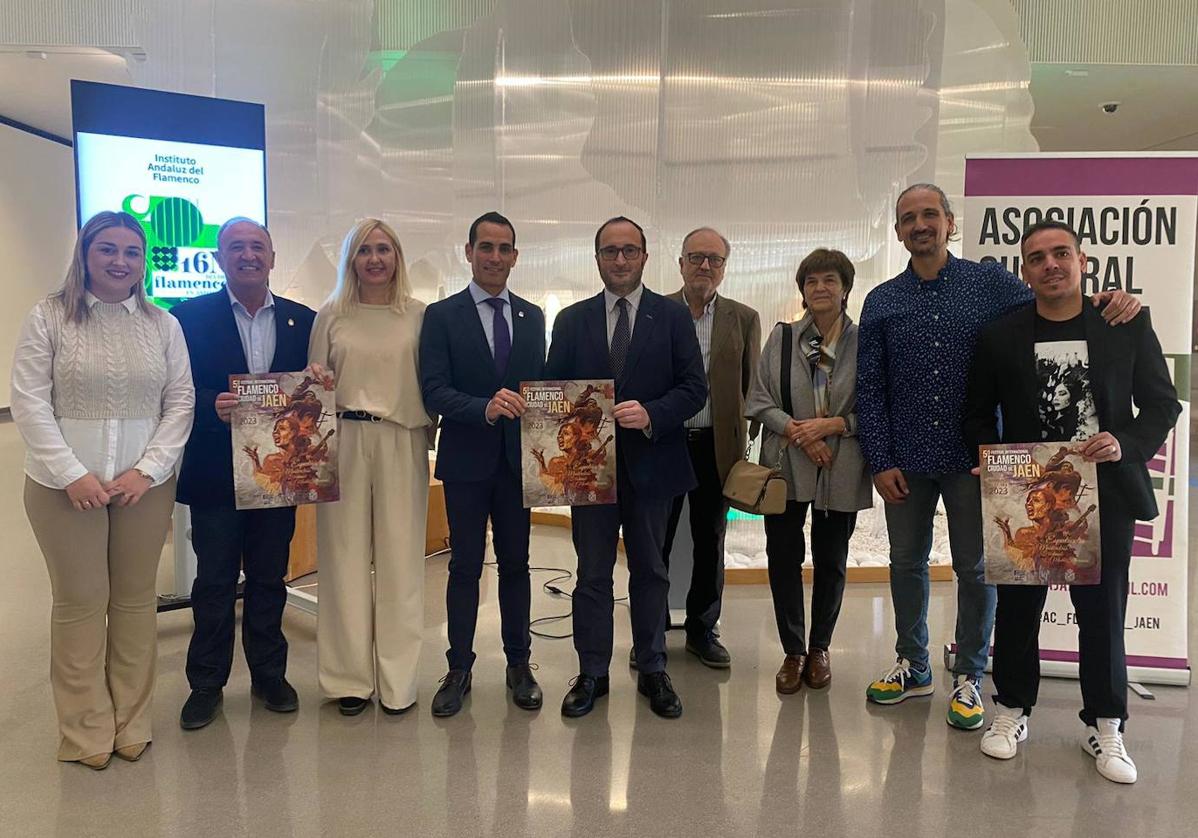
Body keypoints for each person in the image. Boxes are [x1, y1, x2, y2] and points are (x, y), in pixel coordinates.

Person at [856, 183, 1141, 730]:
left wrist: (1106, 300)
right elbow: (871, 387)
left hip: (978, 460)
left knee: (976, 568)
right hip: (905, 460)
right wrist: (879, 457)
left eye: (930, 214)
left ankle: (969, 674)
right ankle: (912, 664)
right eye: (908, 217)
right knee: (906, 564)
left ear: (950, 223)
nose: (920, 224)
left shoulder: (990, 283)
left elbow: (1055, 302)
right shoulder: (882, 301)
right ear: (897, 231)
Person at [965, 220, 1180, 783]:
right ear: (1025, 271)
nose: (1050, 264)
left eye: (1061, 253)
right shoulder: (1001, 335)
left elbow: (1162, 404)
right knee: (1017, 610)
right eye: (1036, 257)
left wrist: (1127, 443)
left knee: (1103, 612)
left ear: (1083, 260)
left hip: (1105, 491)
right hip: (1026, 497)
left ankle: (1106, 724)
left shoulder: (1122, 324)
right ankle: (1011, 710)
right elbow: (977, 412)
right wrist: (985, 461)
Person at [12, 210, 194, 768]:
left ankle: (131, 719)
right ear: (85, 255)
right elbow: (29, 401)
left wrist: (148, 470)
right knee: (80, 603)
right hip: (61, 489)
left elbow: (180, 400)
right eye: (107, 249)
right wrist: (72, 474)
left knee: (135, 603)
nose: (120, 261)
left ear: (144, 262)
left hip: (143, 488)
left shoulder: (163, 324)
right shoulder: (49, 317)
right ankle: (86, 728)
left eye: (132, 252)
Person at [545, 216, 706, 719]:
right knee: (592, 573)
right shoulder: (571, 320)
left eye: (629, 251)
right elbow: (553, 395)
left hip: (652, 467)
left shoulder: (674, 317)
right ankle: (592, 672)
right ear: (596, 258)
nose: (620, 260)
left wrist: (653, 413)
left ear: (644, 257)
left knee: (651, 571)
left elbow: (694, 389)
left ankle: (654, 667)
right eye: (610, 251)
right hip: (588, 471)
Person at [174, 218, 316, 730]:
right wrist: (211, 400)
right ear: (219, 257)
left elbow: (312, 391)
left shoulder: (305, 320)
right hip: (214, 472)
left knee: (267, 577)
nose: (248, 255)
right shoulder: (186, 318)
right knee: (212, 581)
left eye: (258, 246)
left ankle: (269, 675)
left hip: (278, 478)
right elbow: (173, 389)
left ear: (273, 257)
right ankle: (206, 683)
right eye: (236, 247)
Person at [419, 211, 546, 717]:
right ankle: (459, 668)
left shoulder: (533, 316)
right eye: (486, 247)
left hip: (519, 465)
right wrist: (482, 408)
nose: (495, 257)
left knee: (517, 565)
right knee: (465, 567)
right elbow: (433, 389)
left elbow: (541, 388)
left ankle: (520, 664)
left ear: (515, 256)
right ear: (468, 252)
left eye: (504, 248)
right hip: (467, 460)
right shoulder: (442, 315)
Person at [310, 218, 433, 716]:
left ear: (397, 257)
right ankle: (349, 680)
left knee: (403, 563)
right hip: (341, 439)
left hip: (402, 437)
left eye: (384, 249)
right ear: (351, 259)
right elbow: (310, 387)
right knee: (342, 561)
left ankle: (399, 681)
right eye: (365, 250)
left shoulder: (419, 315)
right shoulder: (331, 314)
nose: (375, 258)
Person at [745, 249, 872, 694]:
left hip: (843, 464)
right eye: (812, 281)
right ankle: (793, 650)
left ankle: (820, 648)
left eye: (830, 280)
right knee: (783, 557)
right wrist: (802, 433)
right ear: (802, 290)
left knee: (832, 559)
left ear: (845, 289)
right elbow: (757, 400)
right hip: (787, 464)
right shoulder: (782, 339)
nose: (820, 288)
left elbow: (877, 407)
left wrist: (835, 425)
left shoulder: (865, 341)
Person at [657, 226, 760, 669]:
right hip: (662, 444)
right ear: (680, 263)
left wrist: (745, 443)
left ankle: (703, 629)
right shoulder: (654, 313)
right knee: (653, 540)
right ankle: (651, 629)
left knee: (710, 539)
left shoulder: (744, 318)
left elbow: (749, 389)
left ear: (723, 268)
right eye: (696, 257)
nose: (704, 266)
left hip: (716, 450)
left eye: (714, 259)